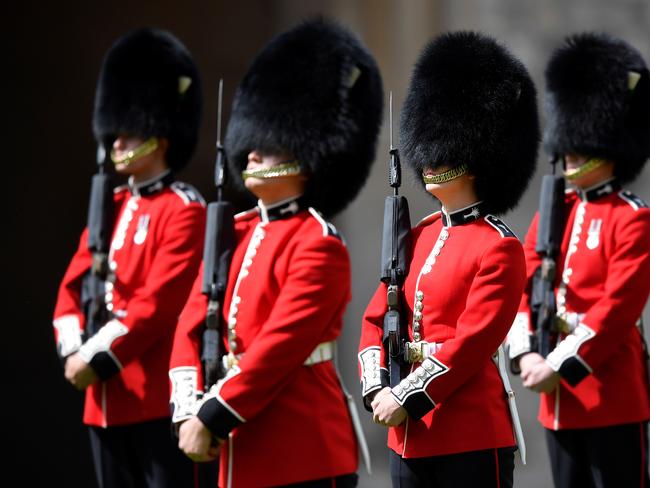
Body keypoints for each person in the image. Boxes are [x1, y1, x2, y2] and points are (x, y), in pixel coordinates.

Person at [168, 18, 383, 487]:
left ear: (304, 157)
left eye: (267, 148)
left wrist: (214, 414)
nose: (250, 156)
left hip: (300, 451)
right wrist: (187, 409)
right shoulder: (234, 234)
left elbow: (279, 349)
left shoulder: (318, 243)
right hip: (235, 448)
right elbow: (188, 323)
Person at [359, 31, 539, 488]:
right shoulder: (416, 237)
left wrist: (407, 394)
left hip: (469, 435)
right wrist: (377, 383)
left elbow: (471, 344)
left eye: (448, 151)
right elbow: (375, 319)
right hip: (407, 434)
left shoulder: (498, 246)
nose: (434, 161)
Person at [52, 28, 205, 488]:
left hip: (154, 399)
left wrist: (94, 357)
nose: (116, 142)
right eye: (115, 132)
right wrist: (72, 349)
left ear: (157, 134)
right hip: (101, 399)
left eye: (129, 131)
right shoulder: (112, 206)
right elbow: (71, 288)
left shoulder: (184, 208)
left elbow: (156, 304)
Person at [507, 32, 650, 488]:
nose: (570, 153)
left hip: (610, 397)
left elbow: (616, 308)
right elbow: (522, 284)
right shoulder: (556, 213)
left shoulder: (632, 218)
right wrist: (527, 351)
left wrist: (557, 364)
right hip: (558, 402)